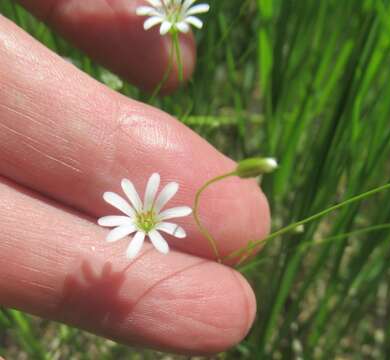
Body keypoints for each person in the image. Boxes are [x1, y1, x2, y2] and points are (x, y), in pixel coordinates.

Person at [0, 0, 270, 355]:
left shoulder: (155, 218)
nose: (145, 217)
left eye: (146, 216)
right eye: (144, 216)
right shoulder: (140, 218)